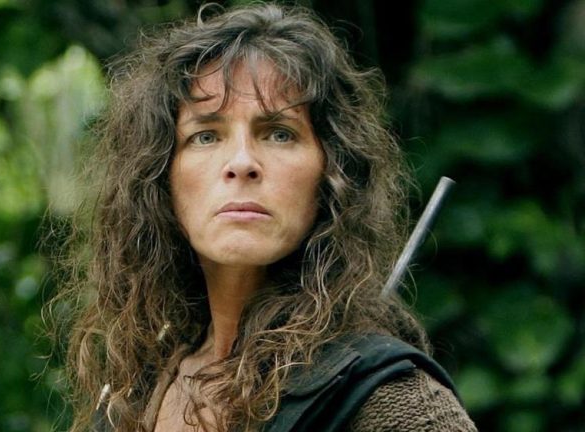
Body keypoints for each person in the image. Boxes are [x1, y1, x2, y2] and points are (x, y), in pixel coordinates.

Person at [53, 3, 477, 431]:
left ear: (332, 173)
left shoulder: (390, 399)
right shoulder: (137, 391)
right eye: (206, 136)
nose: (241, 162)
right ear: (161, 178)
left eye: (279, 133)